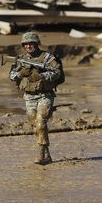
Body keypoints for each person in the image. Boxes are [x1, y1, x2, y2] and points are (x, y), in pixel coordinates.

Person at [8, 32, 62, 166]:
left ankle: (40, 154)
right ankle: (47, 154)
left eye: (31, 43)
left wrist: (41, 76)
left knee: (40, 124)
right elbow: (11, 76)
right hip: (29, 97)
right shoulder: (20, 59)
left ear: (37, 44)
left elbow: (57, 73)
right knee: (36, 127)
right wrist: (20, 73)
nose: (28, 46)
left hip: (45, 95)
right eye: (26, 44)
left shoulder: (47, 58)